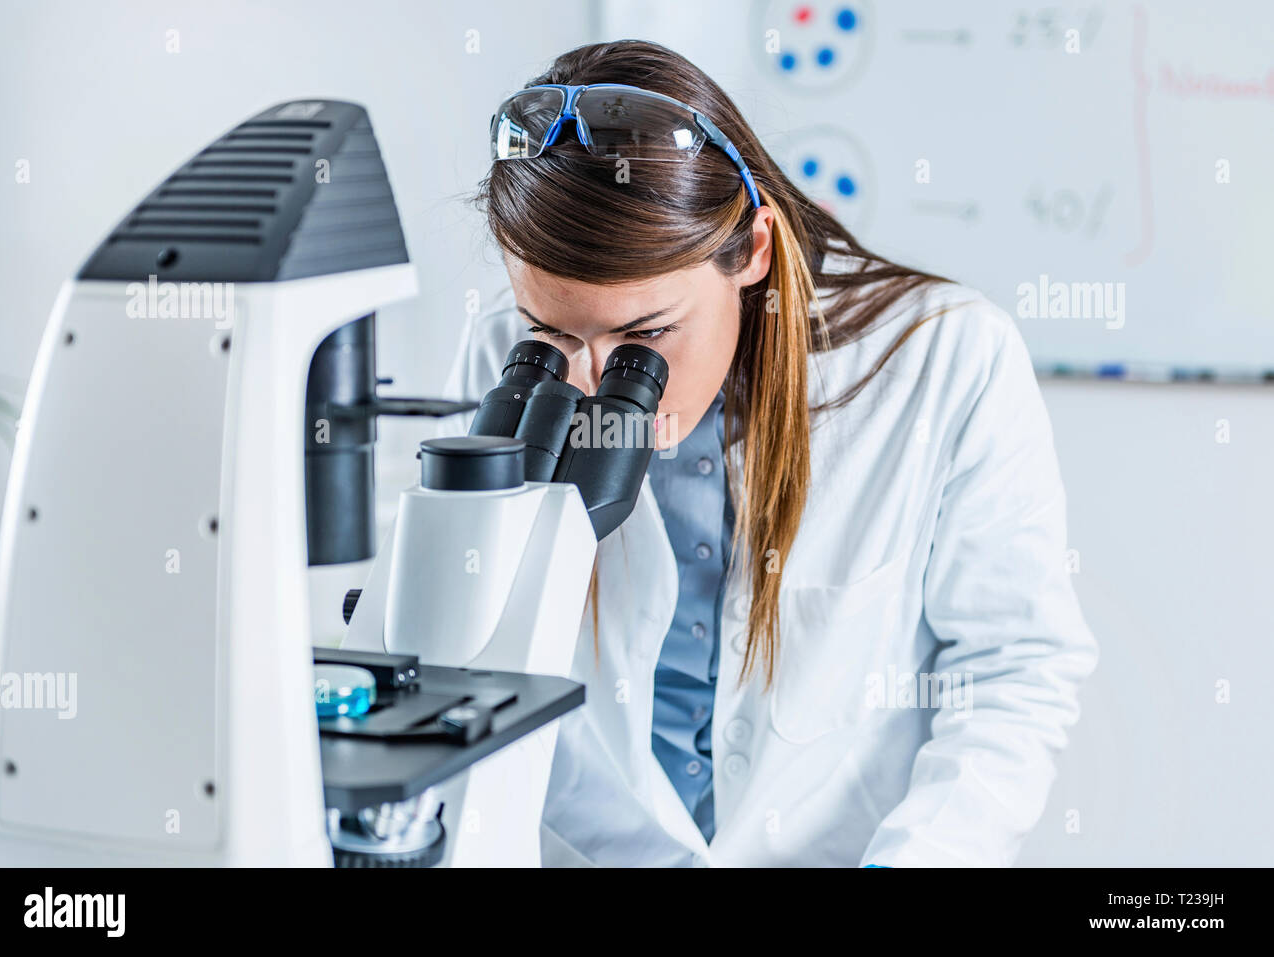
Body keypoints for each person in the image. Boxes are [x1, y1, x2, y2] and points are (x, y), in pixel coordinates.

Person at [441, 39, 1098, 866]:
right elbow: (483, 658)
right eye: (552, 331)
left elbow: (1014, 667)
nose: (603, 385)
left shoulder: (943, 357)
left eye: (646, 336)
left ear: (752, 250)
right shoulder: (504, 353)